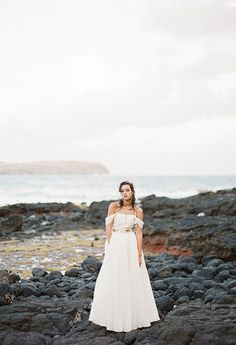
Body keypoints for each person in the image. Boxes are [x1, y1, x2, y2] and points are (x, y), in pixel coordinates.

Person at [88, 181, 160, 332]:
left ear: (133, 191)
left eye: (127, 190)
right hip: (116, 241)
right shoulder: (114, 206)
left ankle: (133, 316)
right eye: (122, 191)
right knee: (114, 276)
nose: (125, 193)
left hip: (130, 243)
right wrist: (110, 245)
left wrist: (139, 253)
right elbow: (108, 227)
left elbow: (139, 233)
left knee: (132, 277)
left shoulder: (138, 211)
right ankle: (112, 315)